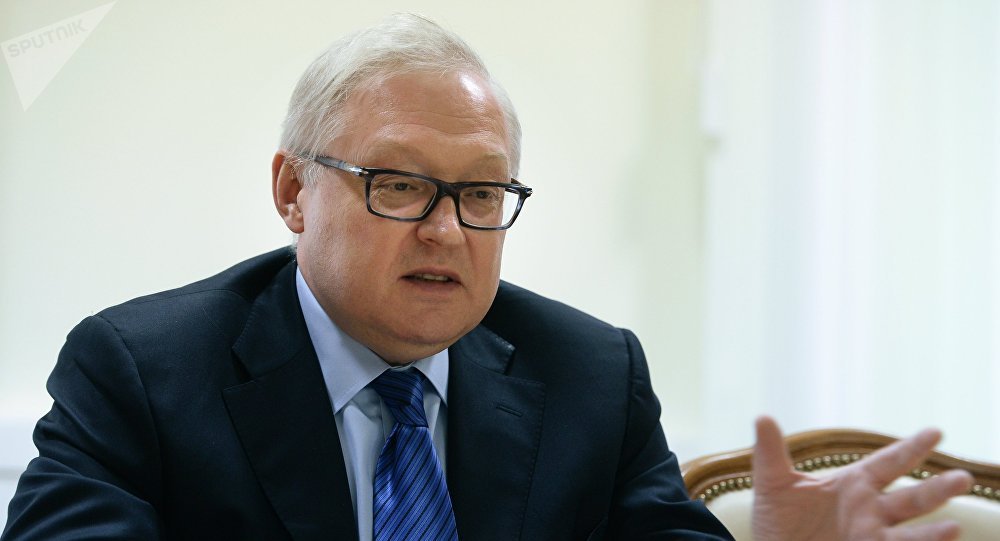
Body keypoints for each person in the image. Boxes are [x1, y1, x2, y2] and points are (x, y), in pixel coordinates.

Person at [1, 13, 972, 541]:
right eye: (398, 185)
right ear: (293, 192)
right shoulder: (140, 372)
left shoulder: (590, 374)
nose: (447, 230)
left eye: (479, 193)